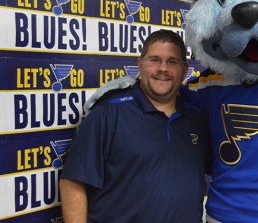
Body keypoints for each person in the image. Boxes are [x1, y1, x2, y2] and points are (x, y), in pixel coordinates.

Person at [60, 29, 210, 222]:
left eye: (172, 61)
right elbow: (73, 181)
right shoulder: (108, 114)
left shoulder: (198, 118)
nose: (163, 68)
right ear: (140, 65)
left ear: (185, 70)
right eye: (154, 59)